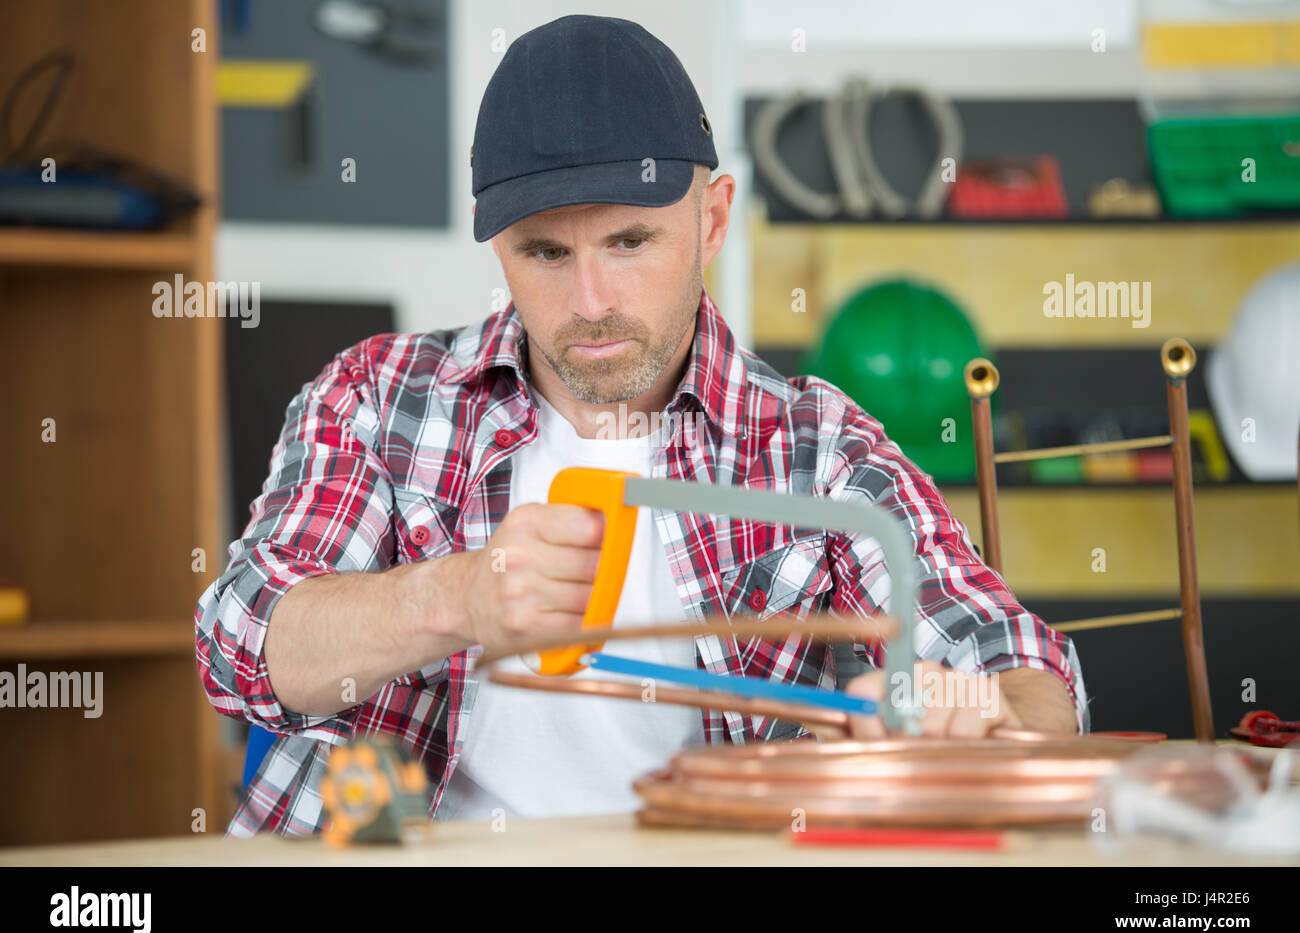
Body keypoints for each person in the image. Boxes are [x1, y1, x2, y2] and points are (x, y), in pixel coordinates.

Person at [195, 15, 1087, 837]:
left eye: (630, 242)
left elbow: (1021, 665)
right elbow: (238, 648)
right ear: (499, 248)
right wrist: (455, 598)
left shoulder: (818, 448)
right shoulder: (378, 398)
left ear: (713, 219)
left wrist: (990, 716)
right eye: (545, 253)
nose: (590, 304)